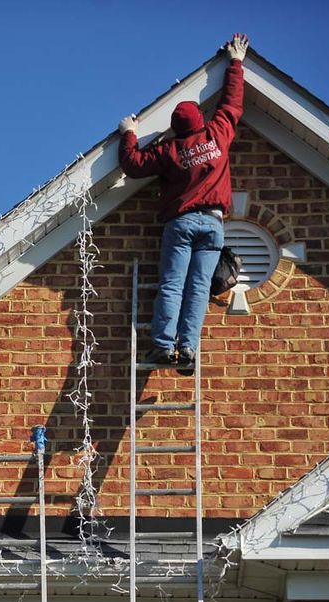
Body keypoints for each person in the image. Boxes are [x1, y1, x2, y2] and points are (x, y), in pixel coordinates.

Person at [118, 33, 249, 366]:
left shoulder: (169, 151)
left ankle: (163, 344)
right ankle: (187, 348)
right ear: (200, 121)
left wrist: (129, 132)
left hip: (182, 223)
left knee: (173, 284)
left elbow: (133, 165)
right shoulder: (218, 133)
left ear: (175, 128)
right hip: (214, 225)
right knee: (199, 288)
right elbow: (232, 103)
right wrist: (236, 62)